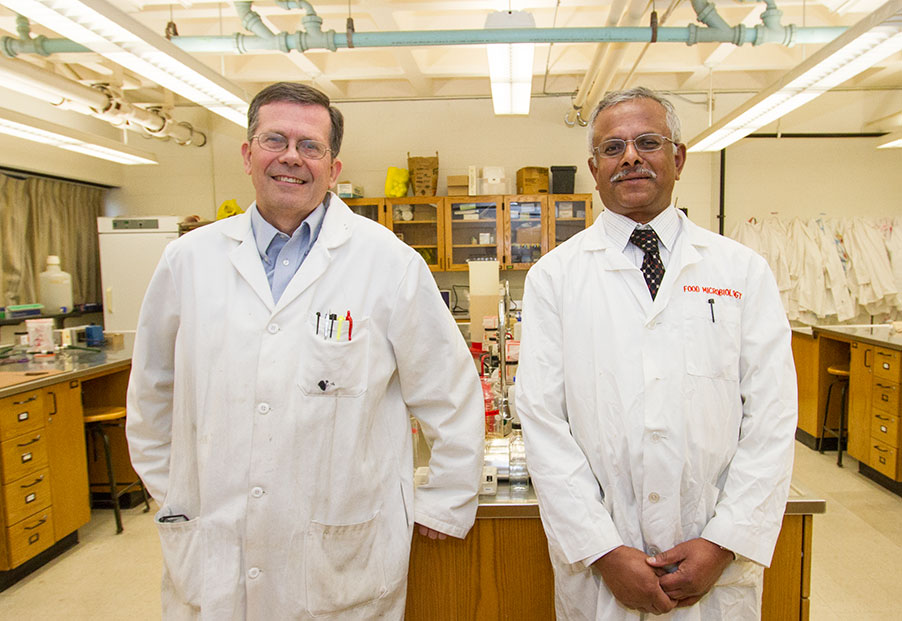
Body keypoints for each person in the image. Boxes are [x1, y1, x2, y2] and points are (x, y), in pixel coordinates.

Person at [126, 82, 484, 619]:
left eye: (310, 145)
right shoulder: (188, 261)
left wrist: (448, 497)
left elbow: (449, 392)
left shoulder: (387, 261)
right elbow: (152, 393)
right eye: (275, 140)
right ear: (247, 155)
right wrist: (176, 495)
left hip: (340, 549)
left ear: (333, 167)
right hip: (215, 545)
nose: (292, 157)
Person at [516, 87, 797, 620]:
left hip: (713, 553)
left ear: (679, 158)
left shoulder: (740, 272)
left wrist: (724, 541)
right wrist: (602, 548)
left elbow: (773, 417)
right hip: (603, 562)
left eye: (648, 142)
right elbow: (542, 421)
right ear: (595, 169)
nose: (631, 158)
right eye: (613, 148)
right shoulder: (554, 277)